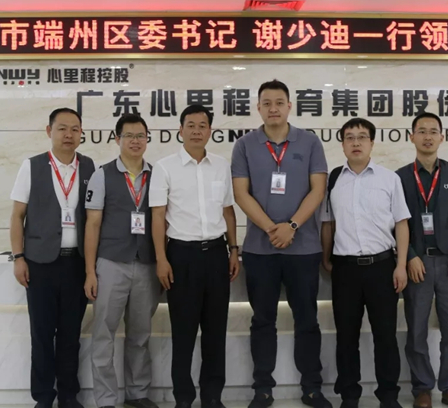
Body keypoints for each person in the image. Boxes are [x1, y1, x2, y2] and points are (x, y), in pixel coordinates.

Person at [231, 80, 331, 408]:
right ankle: (262, 388)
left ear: (290, 106)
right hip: (260, 250)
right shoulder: (245, 145)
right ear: (258, 108)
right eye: (267, 103)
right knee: (262, 321)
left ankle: (312, 387)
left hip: (304, 249)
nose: (273, 108)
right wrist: (272, 229)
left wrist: (292, 226)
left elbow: (318, 190)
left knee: (307, 320)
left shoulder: (310, 142)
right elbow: (241, 193)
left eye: (279, 102)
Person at [150, 104, 241, 408]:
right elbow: (158, 216)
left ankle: (212, 396)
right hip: (181, 256)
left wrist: (233, 249)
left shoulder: (221, 166)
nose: (197, 131)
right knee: (184, 333)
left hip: (216, 255)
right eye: (191, 125)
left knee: (215, 332)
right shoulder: (165, 167)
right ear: (180, 130)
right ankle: (184, 398)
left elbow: (228, 211)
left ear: (210, 131)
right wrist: (161, 259)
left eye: (202, 126)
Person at [321, 118, 410, 408]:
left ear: (372, 143)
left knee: (385, 336)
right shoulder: (334, 180)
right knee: (346, 337)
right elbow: (327, 223)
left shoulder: (389, 179)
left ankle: (388, 396)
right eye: (349, 137)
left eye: (362, 137)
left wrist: (401, 265)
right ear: (342, 144)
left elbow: (402, 223)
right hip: (345, 269)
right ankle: (349, 396)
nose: (356, 142)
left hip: (382, 267)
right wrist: (326, 258)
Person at [9, 107, 96, 408]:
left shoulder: (89, 167)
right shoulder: (31, 166)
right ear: (49, 131)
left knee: (71, 335)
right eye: (62, 128)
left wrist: (91, 268)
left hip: (76, 265)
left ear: (81, 133)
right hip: (40, 264)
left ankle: (69, 396)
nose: (69, 135)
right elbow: (17, 216)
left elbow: (93, 218)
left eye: (75, 129)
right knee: (42, 334)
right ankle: (44, 397)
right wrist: (19, 257)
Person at [395, 112, 448, 408]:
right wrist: (410, 257)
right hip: (417, 265)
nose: (427, 136)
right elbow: (395, 222)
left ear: (442, 137)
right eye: (421, 131)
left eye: (433, 131)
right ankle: (422, 389)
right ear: (411, 137)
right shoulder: (400, 177)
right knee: (416, 331)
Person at [84, 114, 161, 408]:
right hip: (111, 264)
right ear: (117, 139)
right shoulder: (102, 175)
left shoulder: (158, 174)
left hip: (147, 264)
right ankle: (106, 398)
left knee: (140, 334)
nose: (135, 141)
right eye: (129, 135)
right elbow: (92, 225)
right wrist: (90, 272)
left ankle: (138, 393)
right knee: (103, 334)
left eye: (141, 135)